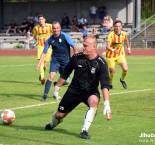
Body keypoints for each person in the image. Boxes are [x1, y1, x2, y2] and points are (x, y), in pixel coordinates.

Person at [45, 36, 112, 139]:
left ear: (94, 47)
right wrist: (56, 89)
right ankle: (52, 123)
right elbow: (65, 73)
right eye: (82, 45)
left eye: (85, 45)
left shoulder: (101, 63)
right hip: (73, 91)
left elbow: (105, 84)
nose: (82, 47)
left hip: (90, 92)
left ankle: (84, 131)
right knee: (59, 115)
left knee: (94, 102)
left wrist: (107, 103)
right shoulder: (76, 58)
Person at [35, 21, 78, 102]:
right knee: (51, 76)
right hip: (55, 60)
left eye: (57, 28)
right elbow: (44, 52)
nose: (56, 30)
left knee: (66, 80)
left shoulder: (65, 36)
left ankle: (56, 87)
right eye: (54, 28)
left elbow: (74, 47)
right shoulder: (49, 40)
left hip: (65, 61)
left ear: (60, 28)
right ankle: (44, 96)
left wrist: (75, 59)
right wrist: (39, 64)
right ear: (52, 29)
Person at [106, 20, 131, 89]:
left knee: (125, 69)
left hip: (120, 54)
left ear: (121, 27)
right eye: (116, 26)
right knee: (112, 71)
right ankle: (110, 84)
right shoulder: (111, 35)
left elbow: (126, 41)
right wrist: (113, 50)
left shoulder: (124, 34)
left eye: (119, 26)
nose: (117, 28)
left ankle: (122, 80)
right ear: (114, 27)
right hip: (111, 55)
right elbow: (107, 46)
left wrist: (128, 49)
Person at [30, 14, 53, 85]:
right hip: (40, 45)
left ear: (44, 20)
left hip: (49, 46)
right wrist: (28, 40)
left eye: (42, 19)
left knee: (45, 64)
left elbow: (54, 34)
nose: (41, 20)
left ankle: (41, 74)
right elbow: (34, 36)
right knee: (41, 61)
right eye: (39, 19)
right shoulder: (36, 28)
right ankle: (42, 78)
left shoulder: (50, 26)